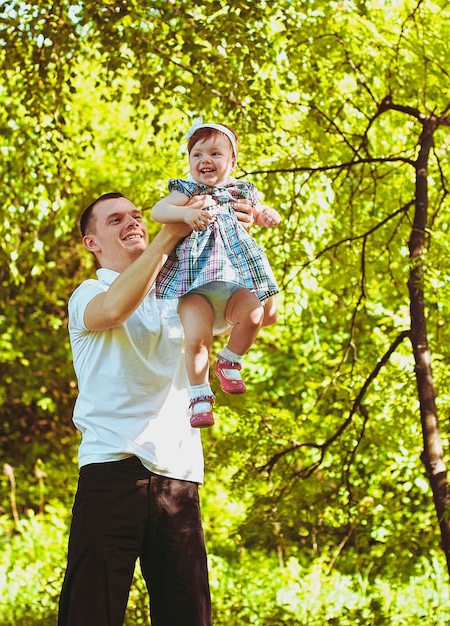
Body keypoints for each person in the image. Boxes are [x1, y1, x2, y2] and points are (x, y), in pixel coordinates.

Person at [58, 191, 254, 626]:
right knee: (90, 614)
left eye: (134, 215)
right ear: (92, 242)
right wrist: (169, 235)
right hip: (111, 470)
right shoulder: (89, 293)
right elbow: (112, 310)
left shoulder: (180, 296)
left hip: (177, 479)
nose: (131, 222)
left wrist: (238, 233)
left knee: (188, 616)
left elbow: (251, 311)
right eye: (115, 220)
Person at [151, 120, 279, 428]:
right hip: (195, 284)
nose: (204, 160)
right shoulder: (188, 191)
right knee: (197, 339)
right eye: (197, 155)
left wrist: (267, 215)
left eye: (215, 153)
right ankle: (199, 394)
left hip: (235, 279)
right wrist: (185, 213)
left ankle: (230, 359)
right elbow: (158, 211)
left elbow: (258, 213)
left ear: (233, 162)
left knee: (255, 313)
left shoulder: (242, 190)